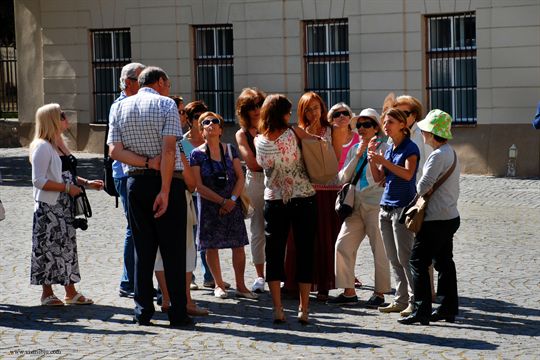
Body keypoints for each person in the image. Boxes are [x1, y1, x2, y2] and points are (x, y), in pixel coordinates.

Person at [108, 66, 192, 327]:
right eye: (167, 83)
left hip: (135, 181)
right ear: (160, 82)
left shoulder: (118, 107)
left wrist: (145, 163)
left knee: (142, 250)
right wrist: (165, 190)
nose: (168, 88)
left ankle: (142, 311)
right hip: (168, 181)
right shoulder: (166, 104)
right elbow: (169, 150)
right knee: (173, 251)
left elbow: (114, 151)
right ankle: (177, 313)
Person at [30, 103, 103, 306]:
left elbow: (66, 173)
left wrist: (86, 183)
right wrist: (66, 189)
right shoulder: (42, 146)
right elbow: (38, 180)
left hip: (64, 206)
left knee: (66, 247)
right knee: (48, 248)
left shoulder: (59, 143)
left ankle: (70, 291)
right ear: (52, 119)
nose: (65, 118)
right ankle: (47, 293)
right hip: (49, 207)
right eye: (61, 115)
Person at [255, 94, 317, 324]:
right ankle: (304, 308)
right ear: (282, 113)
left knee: (274, 253)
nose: (290, 115)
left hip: (274, 200)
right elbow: (318, 144)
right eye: (288, 111)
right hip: (303, 196)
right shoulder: (294, 132)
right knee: (304, 252)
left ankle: (278, 308)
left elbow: (263, 167)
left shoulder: (258, 140)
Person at [398, 109, 461, 325]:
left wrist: (419, 182)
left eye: (425, 130)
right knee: (444, 262)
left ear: (433, 133)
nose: (423, 133)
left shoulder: (437, 155)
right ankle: (447, 308)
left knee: (418, 261)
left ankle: (421, 310)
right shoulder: (450, 152)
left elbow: (423, 186)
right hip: (450, 215)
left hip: (434, 219)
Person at [190, 112, 256, 300]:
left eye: (215, 121)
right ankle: (218, 285)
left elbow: (240, 177)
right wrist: (221, 202)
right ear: (202, 130)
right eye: (206, 122)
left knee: (238, 245)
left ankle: (241, 286)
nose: (211, 124)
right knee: (211, 246)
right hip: (210, 205)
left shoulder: (230, 149)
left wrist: (232, 200)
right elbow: (198, 185)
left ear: (220, 129)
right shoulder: (196, 154)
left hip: (232, 203)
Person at [329, 108, 391, 308]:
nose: (362, 128)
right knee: (342, 245)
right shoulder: (355, 147)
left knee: (379, 249)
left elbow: (379, 179)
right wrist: (357, 155)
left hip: (375, 203)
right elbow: (342, 178)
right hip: (355, 204)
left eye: (367, 124)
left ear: (376, 128)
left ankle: (380, 294)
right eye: (359, 125)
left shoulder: (385, 148)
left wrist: (372, 156)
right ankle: (349, 292)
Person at [293, 92, 344, 301]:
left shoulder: (333, 130)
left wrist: (319, 143)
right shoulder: (298, 132)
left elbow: (337, 159)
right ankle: (301, 283)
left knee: (326, 239)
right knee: (306, 239)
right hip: (304, 190)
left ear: (322, 108)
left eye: (316, 107)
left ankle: (324, 284)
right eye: (308, 109)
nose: (313, 112)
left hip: (328, 190)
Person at [368, 107, 419, 318]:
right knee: (393, 257)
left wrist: (384, 162)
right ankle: (400, 300)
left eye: (389, 122)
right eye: (384, 122)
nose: (385, 126)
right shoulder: (389, 148)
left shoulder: (410, 148)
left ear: (402, 125)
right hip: (386, 206)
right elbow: (380, 178)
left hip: (402, 207)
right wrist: (373, 159)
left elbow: (408, 174)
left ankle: (416, 301)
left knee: (405, 257)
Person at [108, 62, 148, 299]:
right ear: (129, 82)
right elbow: (116, 147)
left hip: (135, 171)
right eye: (141, 79)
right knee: (134, 228)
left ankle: (133, 279)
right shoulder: (121, 105)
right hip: (126, 173)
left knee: (137, 228)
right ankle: (128, 281)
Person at [183, 101, 229, 290]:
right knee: (192, 237)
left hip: (210, 194)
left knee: (208, 238)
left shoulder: (210, 140)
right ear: (190, 120)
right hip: (190, 193)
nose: (203, 120)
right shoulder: (182, 142)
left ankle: (210, 277)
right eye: (197, 117)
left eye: (210, 118)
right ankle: (190, 276)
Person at [234, 87, 267, 293]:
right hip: (255, 181)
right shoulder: (242, 134)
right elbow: (252, 163)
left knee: (280, 228)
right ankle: (260, 276)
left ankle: (279, 273)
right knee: (258, 229)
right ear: (243, 111)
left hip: (278, 181)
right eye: (251, 107)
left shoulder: (273, 127)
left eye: (258, 105)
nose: (256, 110)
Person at [327, 102, 360, 170]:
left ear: (350, 117)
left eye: (345, 113)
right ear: (331, 120)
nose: (342, 116)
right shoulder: (328, 138)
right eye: (337, 114)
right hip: (333, 177)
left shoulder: (358, 138)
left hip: (353, 177)